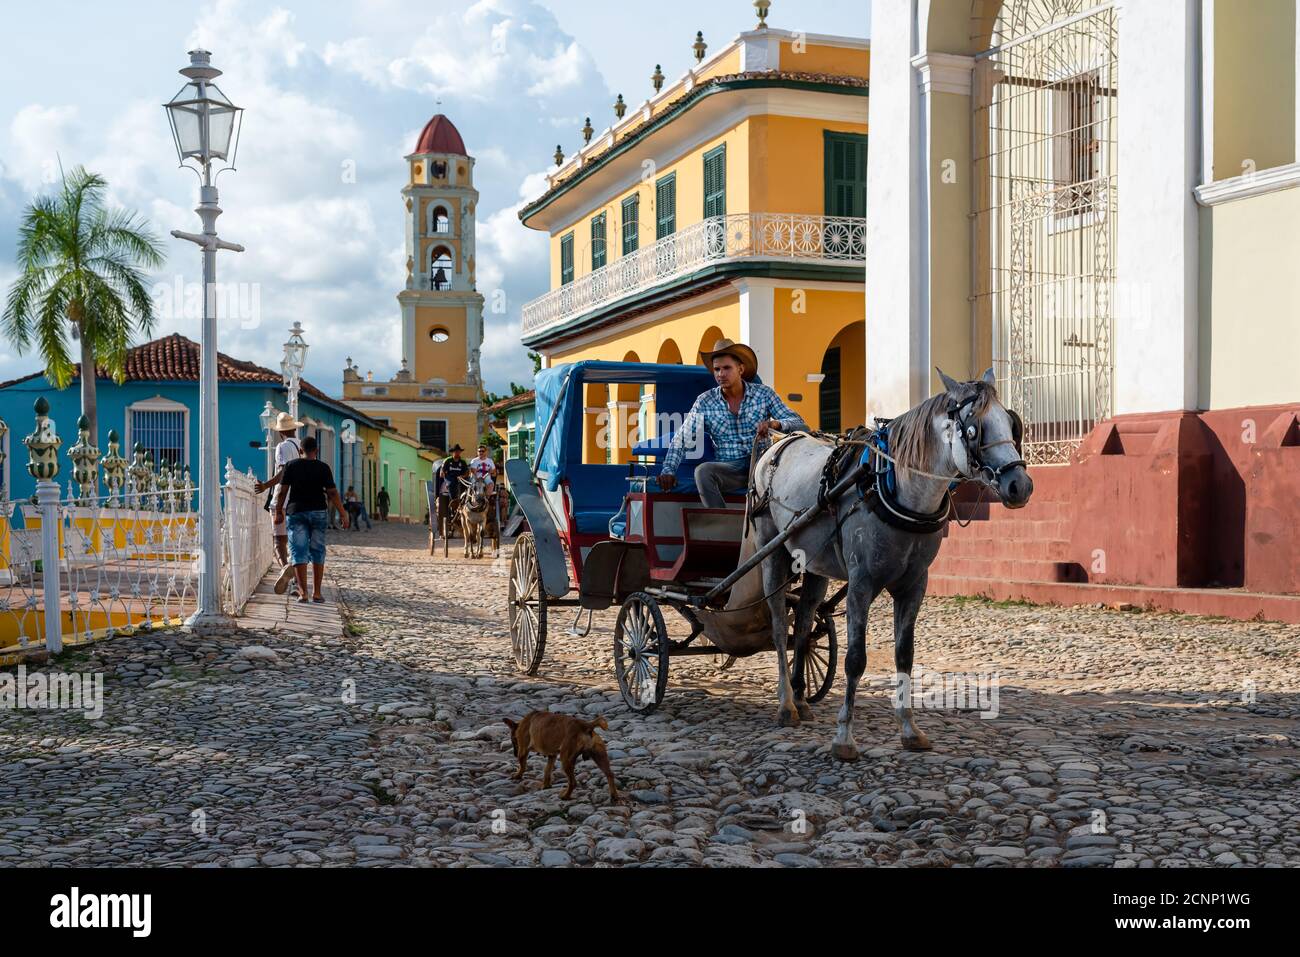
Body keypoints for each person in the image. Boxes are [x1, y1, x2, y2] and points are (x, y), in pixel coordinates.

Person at [658, 338, 806, 508]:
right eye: (717, 369)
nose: (721, 374)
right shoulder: (705, 401)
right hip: (729, 469)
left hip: (763, 464)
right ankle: (720, 525)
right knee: (703, 472)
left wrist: (775, 424)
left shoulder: (764, 394)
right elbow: (682, 438)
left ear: (740, 369)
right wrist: (668, 470)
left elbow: (799, 423)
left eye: (727, 368)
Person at [273, 435, 349, 603]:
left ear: (300, 451)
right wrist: (342, 513)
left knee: (298, 551)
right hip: (318, 513)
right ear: (317, 450)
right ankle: (317, 593)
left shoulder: (291, 466)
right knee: (317, 551)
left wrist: (279, 511)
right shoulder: (323, 468)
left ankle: (303, 593)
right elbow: (332, 493)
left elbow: (282, 491)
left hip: (297, 512)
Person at [255, 412, 303, 594]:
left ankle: (285, 569)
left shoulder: (282, 447)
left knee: (278, 541)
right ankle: (298, 584)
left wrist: (266, 485)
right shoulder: (301, 447)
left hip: (282, 501)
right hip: (299, 501)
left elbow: (284, 472)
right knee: (296, 544)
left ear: (281, 432)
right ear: (294, 429)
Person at [436, 444, 470, 532]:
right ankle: (453, 501)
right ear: (453, 452)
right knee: (451, 484)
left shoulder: (463, 462)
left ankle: (464, 501)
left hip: (460, 478)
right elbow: (442, 472)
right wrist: (446, 477)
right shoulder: (447, 461)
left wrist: (462, 476)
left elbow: (467, 473)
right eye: (456, 451)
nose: (457, 453)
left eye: (458, 451)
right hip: (450, 478)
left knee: (467, 486)